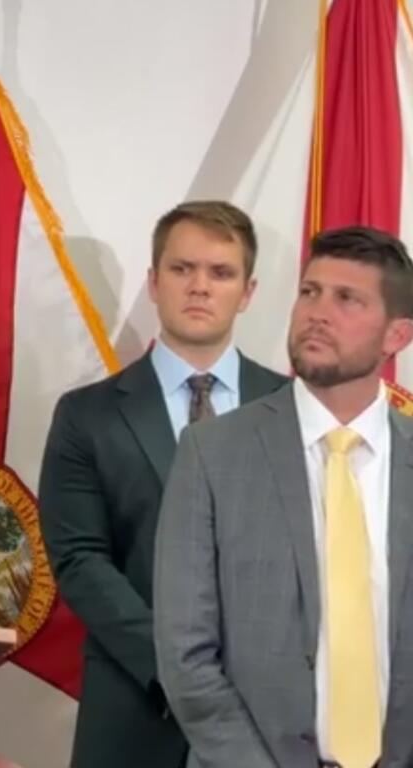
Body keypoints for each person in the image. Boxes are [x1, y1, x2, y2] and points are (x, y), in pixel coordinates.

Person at [38, 201, 287, 768]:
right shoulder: (87, 415)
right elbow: (80, 559)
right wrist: (180, 670)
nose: (199, 286)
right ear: (154, 283)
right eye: (182, 269)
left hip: (267, 719)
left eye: (220, 273)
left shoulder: (292, 410)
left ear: (247, 292)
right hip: (134, 703)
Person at [154, 226, 413, 767]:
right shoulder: (212, 453)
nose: (318, 312)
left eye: (348, 299)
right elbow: (187, 655)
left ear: (397, 335)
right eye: (309, 291)